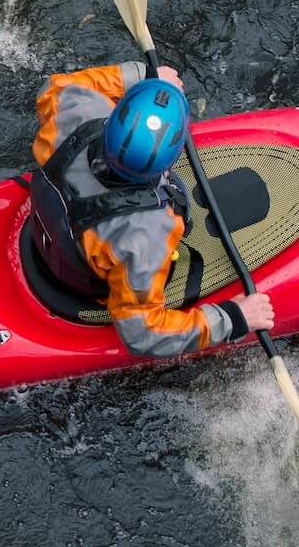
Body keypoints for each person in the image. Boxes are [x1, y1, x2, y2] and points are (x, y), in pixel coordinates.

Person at [27, 62, 275, 358]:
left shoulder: (77, 109)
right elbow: (142, 334)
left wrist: (141, 76)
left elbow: (54, 86)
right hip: (83, 285)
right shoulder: (145, 235)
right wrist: (232, 318)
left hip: (49, 232)